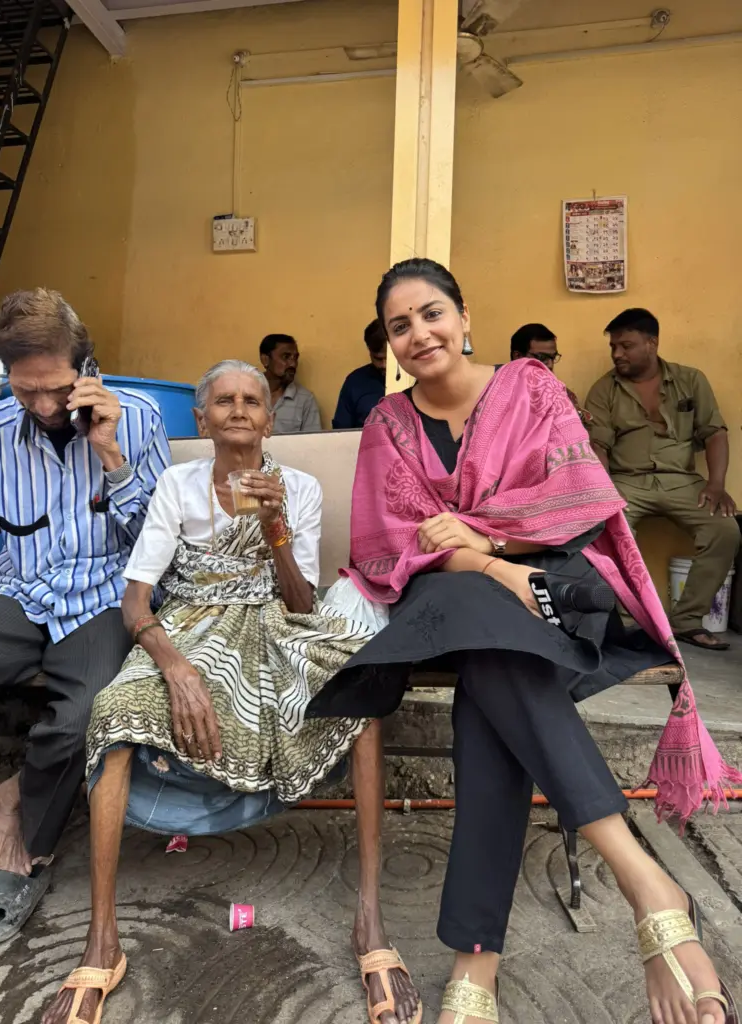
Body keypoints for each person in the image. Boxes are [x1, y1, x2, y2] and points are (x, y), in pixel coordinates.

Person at [308, 260, 739, 1024]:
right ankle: (648, 884)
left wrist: (489, 539)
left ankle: (479, 959)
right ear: (390, 345)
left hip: (553, 590)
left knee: (490, 681)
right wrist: (484, 568)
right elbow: (388, 543)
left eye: (432, 314)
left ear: (464, 317)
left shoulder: (530, 388)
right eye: (400, 326)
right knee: (477, 624)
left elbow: (578, 493)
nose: (419, 334)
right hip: (452, 598)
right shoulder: (388, 424)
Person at [39, 359, 421, 1024]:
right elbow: (136, 601)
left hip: (276, 620)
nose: (239, 410)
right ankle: (102, 940)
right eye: (224, 400)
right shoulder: (175, 486)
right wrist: (175, 667)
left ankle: (370, 919)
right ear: (203, 418)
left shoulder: (294, 487)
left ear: (271, 419)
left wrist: (276, 527)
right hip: (187, 623)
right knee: (114, 709)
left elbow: (301, 602)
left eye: (253, 400)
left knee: (361, 694)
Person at [0, 288, 170, 945]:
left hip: (101, 597)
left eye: (54, 388)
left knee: (86, 712)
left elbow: (158, 548)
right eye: (25, 390)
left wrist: (111, 454)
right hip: (18, 592)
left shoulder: (138, 418)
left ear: (87, 367)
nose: (42, 406)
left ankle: (21, 823)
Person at [586, 308, 739, 651]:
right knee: (609, 528)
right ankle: (628, 624)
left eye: (626, 345)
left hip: (683, 481)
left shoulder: (691, 380)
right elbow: (598, 444)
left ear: (652, 343)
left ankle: (686, 621)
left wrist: (716, 484)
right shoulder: (604, 389)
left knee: (725, 530)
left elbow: (714, 433)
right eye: (613, 346)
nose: (616, 354)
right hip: (627, 481)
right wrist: (604, 491)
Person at [510, 322, 592, 425]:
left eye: (553, 358)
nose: (550, 365)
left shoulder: (564, 394)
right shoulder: (496, 389)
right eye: (541, 357)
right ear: (517, 356)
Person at [259, 333, 321, 433]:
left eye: (295, 358)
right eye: (285, 357)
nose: (293, 364)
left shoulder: (305, 399)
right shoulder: (245, 394)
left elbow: (313, 444)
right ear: (265, 360)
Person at [332, 319, 387, 429]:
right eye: (378, 359)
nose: (384, 365)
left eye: (389, 358)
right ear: (369, 351)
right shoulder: (355, 382)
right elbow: (341, 432)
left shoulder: (417, 378)